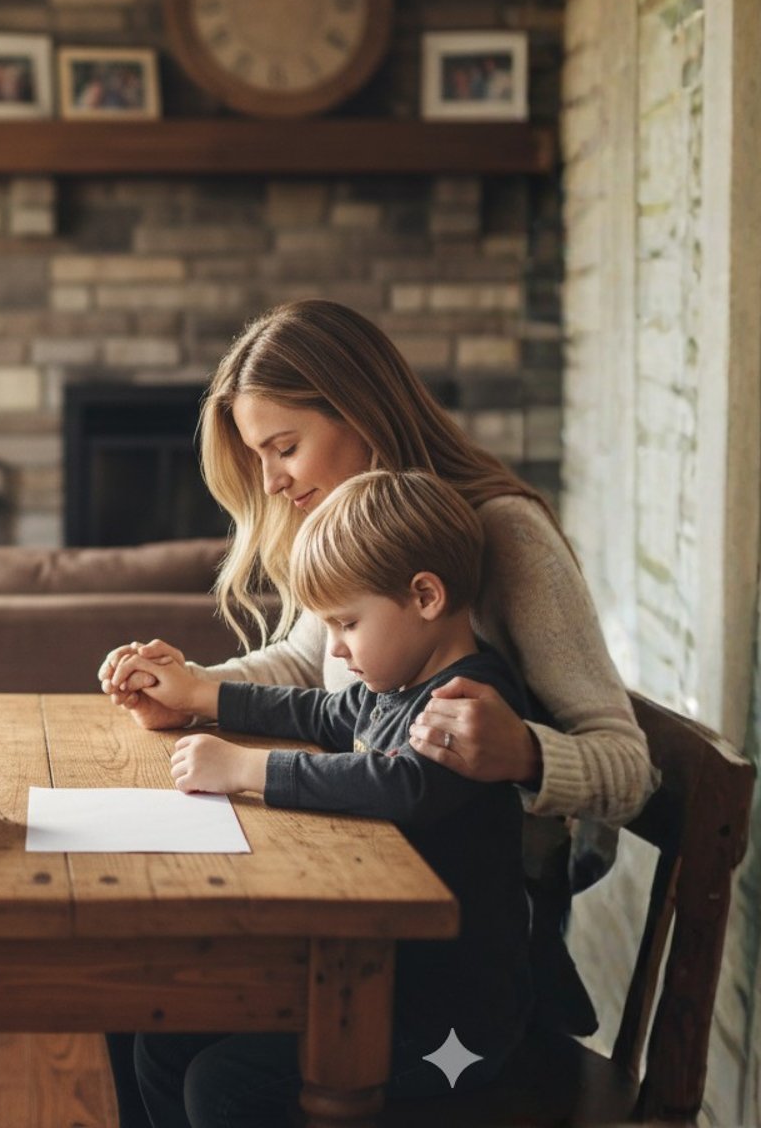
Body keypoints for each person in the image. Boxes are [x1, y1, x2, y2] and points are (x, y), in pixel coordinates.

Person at [96, 299, 655, 1126]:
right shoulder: (357, 530)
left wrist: (526, 753)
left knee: (207, 1063)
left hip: (452, 965)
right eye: (258, 458)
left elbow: (629, 769)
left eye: (284, 447)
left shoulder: (500, 536)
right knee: (141, 1009)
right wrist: (191, 689)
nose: (271, 482)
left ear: (360, 413)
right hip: (350, 902)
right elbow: (317, 677)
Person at [129, 469, 533, 1124]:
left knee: (222, 1085)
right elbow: (317, 712)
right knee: (161, 1037)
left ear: (425, 596)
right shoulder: (391, 688)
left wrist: (246, 768)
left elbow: (404, 785)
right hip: (366, 982)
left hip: (449, 1027)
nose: (338, 649)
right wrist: (202, 695)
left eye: (347, 623)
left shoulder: (470, 701)